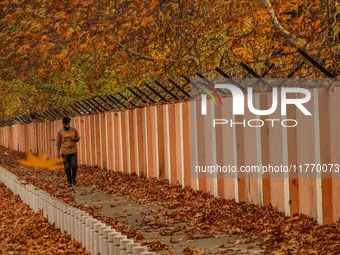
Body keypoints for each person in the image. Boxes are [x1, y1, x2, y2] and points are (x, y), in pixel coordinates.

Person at [56, 117, 80, 187]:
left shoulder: (74, 130)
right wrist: (58, 152)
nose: (67, 126)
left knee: (74, 166)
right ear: (63, 124)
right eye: (66, 124)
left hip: (73, 151)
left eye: (68, 124)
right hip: (64, 152)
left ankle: (73, 178)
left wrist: (74, 139)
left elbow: (78, 138)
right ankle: (69, 181)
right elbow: (58, 143)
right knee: (67, 167)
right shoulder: (60, 132)